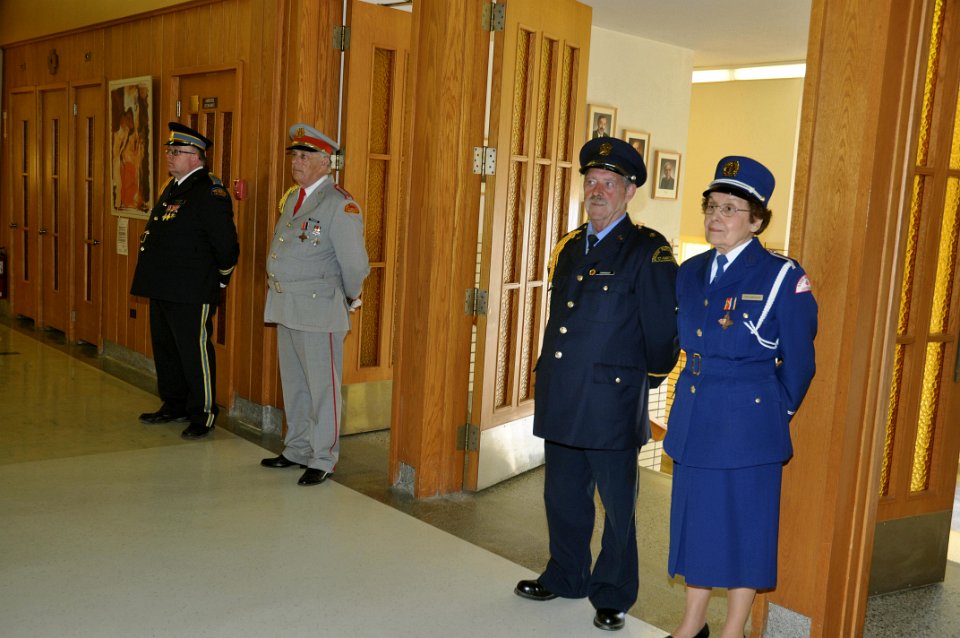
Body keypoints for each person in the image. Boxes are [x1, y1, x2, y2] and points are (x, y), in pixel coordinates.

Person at [514, 137, 679, 632]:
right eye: (591, 182)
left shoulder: (648, 250)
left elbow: (662, 332)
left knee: (618, 505)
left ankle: (612, 593)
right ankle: (566, 575)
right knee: (563, 496)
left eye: (609, 183)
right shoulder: (569, 246)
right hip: (565, 391)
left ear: (629, 192)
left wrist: (643, 382)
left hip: (612, 397)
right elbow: (560, 319)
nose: (598, 191)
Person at [663, 156, 818, 638]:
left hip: (748, 426)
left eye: (730, 209)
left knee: (745, 529)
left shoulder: (781, 276)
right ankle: (692, 624)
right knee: (697, 522)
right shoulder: (690, 271)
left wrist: (771, 413)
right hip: (696, 414)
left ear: (756, 221)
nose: (716, 216)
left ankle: (733, 630)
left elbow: (800, 361)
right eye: (712, 206)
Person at [260, 123, 370, 487]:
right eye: (295, 155)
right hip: (286, 304)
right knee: (295, 384)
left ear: (326, 162)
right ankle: (297, 448)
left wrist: (349, 297)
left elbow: (355, 264)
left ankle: (323, 457)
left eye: (305, 156)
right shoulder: (295, 197)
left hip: (319, 309)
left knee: (323, 388)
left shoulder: (340, 204)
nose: (297, 162)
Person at [132, 122, 239, 440]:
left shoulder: (209, 191)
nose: (170, 155)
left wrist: (221, 279)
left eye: (177, 151)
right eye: (170, 150)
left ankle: (203, 413)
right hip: (163, 284)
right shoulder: (173, 186)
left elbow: (225, 244)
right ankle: (175, 404)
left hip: (192, 288)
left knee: (194, 352)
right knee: (167, 349)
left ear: (196, 157)